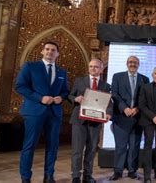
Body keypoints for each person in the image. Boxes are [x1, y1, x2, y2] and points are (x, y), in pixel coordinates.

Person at [15, 42, 69, 183]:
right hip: (34, 111)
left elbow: (65, 91)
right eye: (47, 49)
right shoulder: (30, 67)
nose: (50, 52)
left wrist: (61, 98)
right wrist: (40, 98)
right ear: (42, 52)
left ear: (57, 54)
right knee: (30, 145)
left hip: (54, 113)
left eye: (53, 50)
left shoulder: (62, 72)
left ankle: (49, 175)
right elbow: (20, 86)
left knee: (53, 145)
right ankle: (26, 177)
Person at [68, 59, 112, 183]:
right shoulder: (79, 81)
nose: (93, 68)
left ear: (101, 69)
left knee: (91, 150)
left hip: (95, 122)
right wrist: (75, 98)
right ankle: (76, 176)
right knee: (77, 149)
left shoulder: (106, 85)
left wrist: (109, 113)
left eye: (96, 67)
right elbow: (70, 96)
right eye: (91, 66)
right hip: (78, 121)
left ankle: (88, 175)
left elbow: (109, 103)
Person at [109, 56, 149, 180]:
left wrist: (137, 108)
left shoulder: (144, 79)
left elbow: (145, 98)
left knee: (134, 147)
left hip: (137, 118)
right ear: (127, 64)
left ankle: (132, 170)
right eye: (131, 62)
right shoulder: (117, 76)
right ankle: (118, 171)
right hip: (121, 117)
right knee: (120, 146)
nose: (133, 64)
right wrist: (124, 108)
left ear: (139, 64)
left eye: (135, 63)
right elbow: (114, 94)